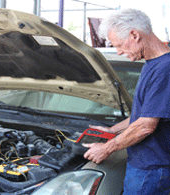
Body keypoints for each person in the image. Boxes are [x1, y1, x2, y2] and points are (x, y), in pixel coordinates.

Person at [83, 9, 170, 194]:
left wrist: (106, 149)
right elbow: (142, 115)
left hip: (151, 170)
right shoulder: (153, 64)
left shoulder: (165, 69)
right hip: (146, 167)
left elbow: (146, 126)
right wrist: (112, 131)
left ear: (134, 35)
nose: (119, 51)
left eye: (119, 45)